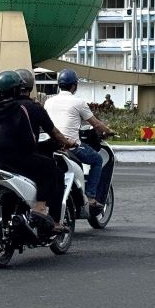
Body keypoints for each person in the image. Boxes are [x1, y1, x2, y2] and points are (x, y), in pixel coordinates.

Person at [0, 70, 76, 233]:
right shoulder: (21, 109)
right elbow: (28, 138)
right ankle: (41, 209)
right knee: (49, 167)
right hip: (16, 159)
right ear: (17, 89)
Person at [44, 68, 115, 217]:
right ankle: (90, 197)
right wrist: (108, 131)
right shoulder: (78, 102)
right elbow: (96, 124)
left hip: (50, 145)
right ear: (74, 86)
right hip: (71, 146)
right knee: (97, 160)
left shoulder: (48, 102)